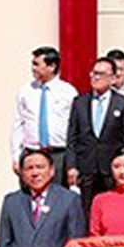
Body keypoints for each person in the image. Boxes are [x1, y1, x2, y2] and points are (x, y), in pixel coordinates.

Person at [65, 56, 124, 213]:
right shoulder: (79, 102)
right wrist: (71, 166)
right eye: (93, 73)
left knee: (112, 211)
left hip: (111, 170)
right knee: (86, 211)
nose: (96, 77)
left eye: (101, 74)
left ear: (112, 78)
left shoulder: (123, 103)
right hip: (86, 168)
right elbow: (72, 138)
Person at [10, 46, 76, 184]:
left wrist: (72, 163)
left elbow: (75, 127)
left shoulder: (68, 92)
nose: (33, 68)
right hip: (31, 152)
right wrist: (16, 156)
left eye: (37, 64)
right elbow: (18, 125)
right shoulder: (25, 91)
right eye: (32, 64)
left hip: (58, 154)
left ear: (51, 66)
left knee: (57, 198)